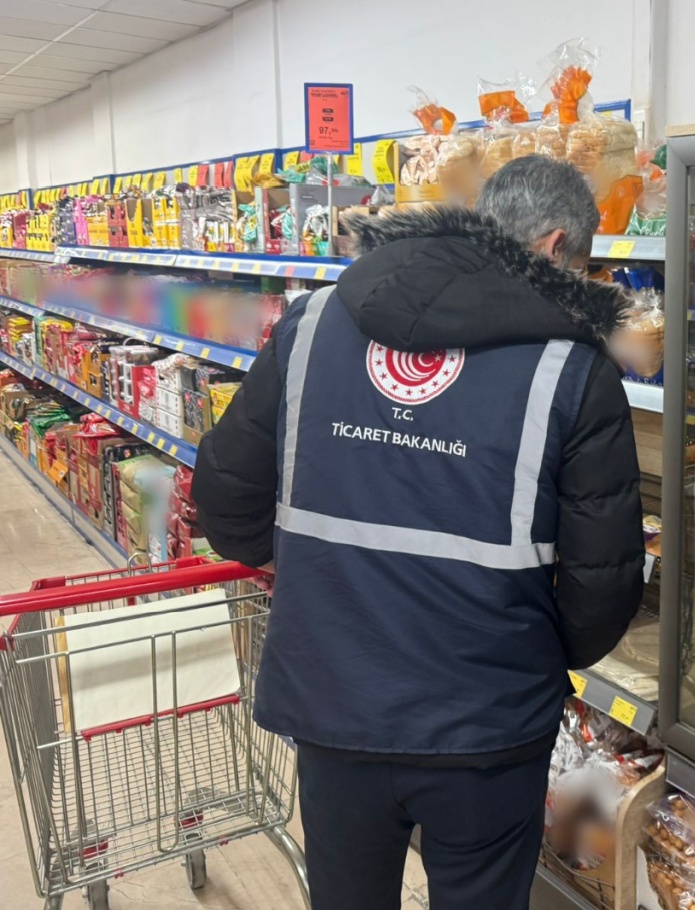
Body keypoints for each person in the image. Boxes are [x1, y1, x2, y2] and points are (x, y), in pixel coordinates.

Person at [192, 155, 645, 910]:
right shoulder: (570, 367)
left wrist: (314, 569)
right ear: (554, 247)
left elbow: (223, 500)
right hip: (488, 724)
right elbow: (604, 585)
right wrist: (535, 655)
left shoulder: (314, 323)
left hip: (335, 699)